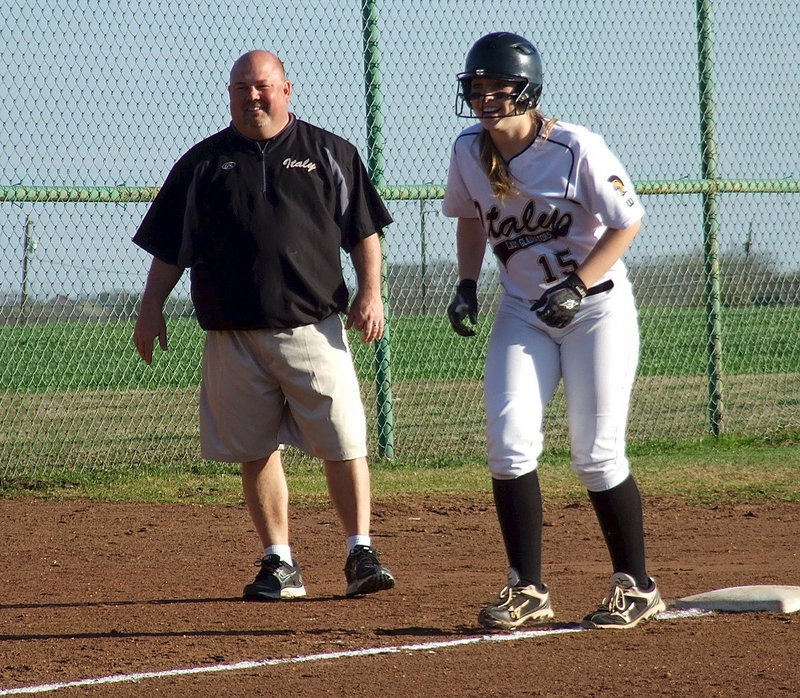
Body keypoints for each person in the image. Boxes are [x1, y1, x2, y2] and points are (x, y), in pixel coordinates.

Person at [132, 49, 395, 601]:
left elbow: (364, 232)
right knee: (255, 448)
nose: (252, 96)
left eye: (262, 86)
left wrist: (370, 293)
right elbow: (170, 247)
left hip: (312, 327)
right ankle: (280, 562)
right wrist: (151, 306)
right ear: (230, 95)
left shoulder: (330, 153)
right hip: (232, 334)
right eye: (241, 88)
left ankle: (360, 552)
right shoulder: (203, 163)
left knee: (344, 440)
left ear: (286, 90)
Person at [442, 32, 664, 630]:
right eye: (478, 88)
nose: (486, 99)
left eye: (500, 88)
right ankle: (527, 588)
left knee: (596, 454)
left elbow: (628, 221)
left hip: (597, 311)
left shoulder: (575, 147)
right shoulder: (468, 149)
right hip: (523, 311)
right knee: (508, 445)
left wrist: (579, 285)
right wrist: (467, 283)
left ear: (528, 91)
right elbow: (470, 217)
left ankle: (637, 586)